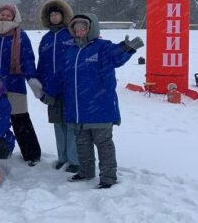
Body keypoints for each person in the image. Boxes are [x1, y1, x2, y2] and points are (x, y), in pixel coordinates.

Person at [45, 13, 144, 189]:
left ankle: (108, 177)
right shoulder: (70, 51)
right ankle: (86, 171)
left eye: (83, 27)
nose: (79, 31)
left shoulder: (102, 47)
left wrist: (126, 48)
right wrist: (51, 93)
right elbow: (60, 75)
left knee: (104, 145)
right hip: (77, 110)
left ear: (92, 29)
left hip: (100, 107)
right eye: (76, 28)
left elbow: (116, 56)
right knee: (82, 144)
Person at [0, 4, 42, 166]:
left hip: (15, 84)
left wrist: (31, 78)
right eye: (2, 14)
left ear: (14, 17)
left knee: (20, 120)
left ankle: (32, 155)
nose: (4, 17)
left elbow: (28, 59)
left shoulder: (21, 36)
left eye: (8, 15)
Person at [36, 0, 79, 173]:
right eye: (51, 15)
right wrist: (41, 88)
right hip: (51, 90)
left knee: (71, 124)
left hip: (70, 88)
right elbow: (42, 64)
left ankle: (74, 159)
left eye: (57, 14)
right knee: (58, 124)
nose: (54, 17)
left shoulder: (71, 34)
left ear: (63, 15)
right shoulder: (46, 39)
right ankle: (62, 157)